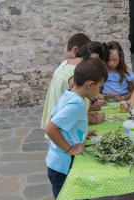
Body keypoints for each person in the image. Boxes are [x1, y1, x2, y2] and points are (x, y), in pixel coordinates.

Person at [45, 58, 108, 199]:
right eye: (99, 87)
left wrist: (80, 134)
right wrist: (70, 149)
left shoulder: (68, 94)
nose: (99, 91)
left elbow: (52, 118)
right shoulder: (78, 104)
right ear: (90, 84)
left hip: (56, 164)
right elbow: (50, 128)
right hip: (62, 166)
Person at [41, 41, 109, 139]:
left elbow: (64, 109)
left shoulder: (65, 63)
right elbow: (72, 109)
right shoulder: (77, 79)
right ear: (96, 58)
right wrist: (95, 119)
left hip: (60, 130)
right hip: (62, 136)